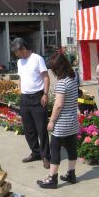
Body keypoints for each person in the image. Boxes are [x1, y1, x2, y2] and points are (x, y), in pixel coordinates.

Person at [37, 53, 79, 189]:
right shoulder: (73, 79)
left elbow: (58, 105)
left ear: (58, 68)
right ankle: (71, 174)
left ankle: (52, 178)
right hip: (73, 122)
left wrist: (52, 121)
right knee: (71, 148)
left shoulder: (61, 83)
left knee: (55, 150)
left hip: (62, 123)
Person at [11, 37, 51, 168]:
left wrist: (45, 94)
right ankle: (36, 152)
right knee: (29, 130)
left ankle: (46, 156)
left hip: (38, 97)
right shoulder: (19, 62)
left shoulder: (37, 58)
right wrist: (20, 90)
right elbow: (22, 78)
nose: (16, 55)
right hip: (25, 98)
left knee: (41, 129)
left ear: (23, 49)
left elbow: (46, 77)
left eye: (17, 52)